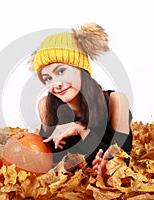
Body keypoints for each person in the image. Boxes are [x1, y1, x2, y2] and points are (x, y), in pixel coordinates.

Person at [29, 23, 132, 175]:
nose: (56, 84)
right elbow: (48, 160)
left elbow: (123, 160)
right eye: (48, 78)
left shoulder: (116, 101)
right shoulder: (45, 105)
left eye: (61, 71)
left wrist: (82, 130)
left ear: (80, 68)